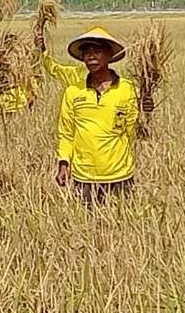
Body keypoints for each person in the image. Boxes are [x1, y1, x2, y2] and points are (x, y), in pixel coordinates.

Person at [55, 28, 153, 204]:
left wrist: (144, 113)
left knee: (121, 227)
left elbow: (133, 130)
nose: (91, 57)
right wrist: (63, 163)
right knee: (86, 228)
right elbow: (66, 133)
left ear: (109, 56)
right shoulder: (73, 92)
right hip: (84, 177)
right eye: (87, 52)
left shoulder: (128, 89)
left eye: (97, 51)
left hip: (119, 175)